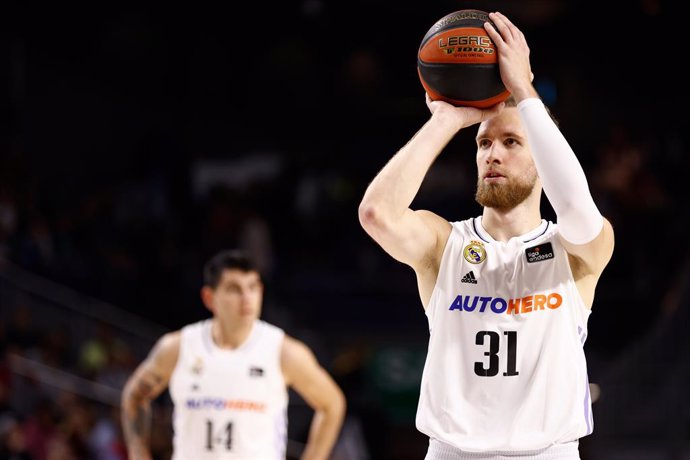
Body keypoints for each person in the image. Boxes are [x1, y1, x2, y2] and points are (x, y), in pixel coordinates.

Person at [358, 11, 614, 460]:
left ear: (544, 158)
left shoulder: (577, 250)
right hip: (452, 452)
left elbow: (575, 207)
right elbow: (377, 214)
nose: (492, 154)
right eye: (483, 144)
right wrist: (446, 120)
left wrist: (523, 92)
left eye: (511, 142)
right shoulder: (444, 245)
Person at [121, 249, 346, 460]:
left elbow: (332, 404)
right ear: (209, 298)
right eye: (234, 289)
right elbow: (135, 395)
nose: (247, 298)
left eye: (253, 287)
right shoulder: (178, 347)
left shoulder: (283, 352)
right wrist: (138, 452)